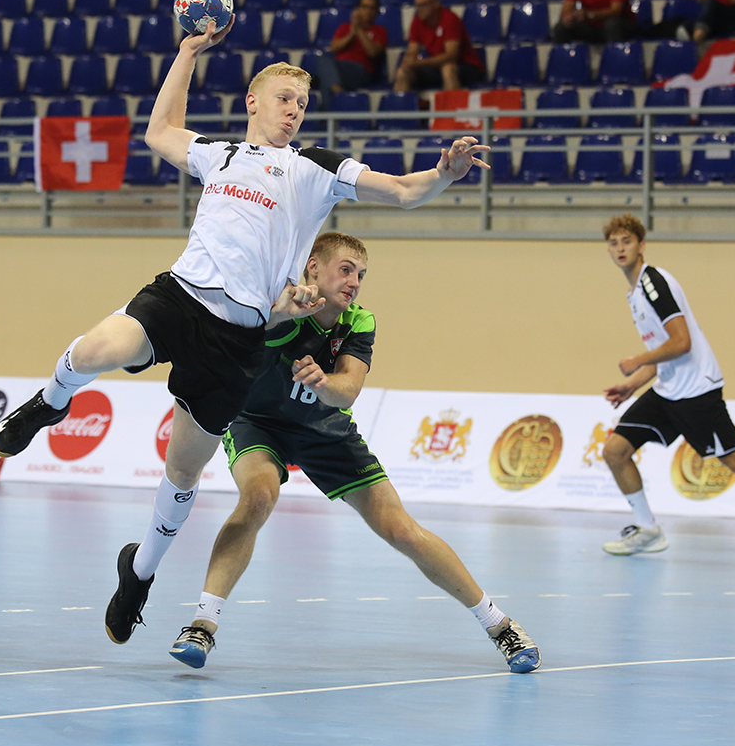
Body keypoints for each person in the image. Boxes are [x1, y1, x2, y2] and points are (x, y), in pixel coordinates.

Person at [0, 16, 490, 647]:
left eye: (303, 104)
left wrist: (443, 172)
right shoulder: (220, 154)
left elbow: (402, 190)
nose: (295, 112)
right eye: (285, 99)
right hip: (181, 297)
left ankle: (139, 573)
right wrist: (188, 50)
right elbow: (159, 131)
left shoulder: (314, 169)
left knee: (183, 476)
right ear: (253, 102)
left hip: (237, 339)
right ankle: (47, 405)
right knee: (95, 350)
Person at [168, 233, 540, 674]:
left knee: (401, 530)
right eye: (346, 269)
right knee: (258, 497)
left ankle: (500, 625)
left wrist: (324, 384)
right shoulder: (280, 305)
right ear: (313, 268)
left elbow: (348, 391)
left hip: (324, 428)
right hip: (257, 422)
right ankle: (202, 625)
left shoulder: (359, 321)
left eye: (361, 274)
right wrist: (281, 311)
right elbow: (255, 334)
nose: (355, 281)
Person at [598, 213, 735, 563]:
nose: (620, 248)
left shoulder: (653, 282)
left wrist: (637, 359)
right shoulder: (634, 293)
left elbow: (682, 342)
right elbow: (665, 354)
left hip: (697, 391)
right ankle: (648, 530)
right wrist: (631, 384)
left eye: (626, 241)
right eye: (613, 243)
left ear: (641, 246)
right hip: (669, 388)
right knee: (614, 451)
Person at [393, 0, 486, 92]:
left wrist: (419, 63)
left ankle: (450, 106)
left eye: (423, 5)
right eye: (417, 5)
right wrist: (409, 61)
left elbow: (451, 55)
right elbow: (412, 51)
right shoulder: (417, 21)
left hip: (465, 66)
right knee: (403, 72)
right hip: (436, 68)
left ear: (436, 3)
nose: (419, 9)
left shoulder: (450, 19)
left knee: (448, 69)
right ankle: (401, 107)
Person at [316, 0, 387, 95]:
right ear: (358, 9)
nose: (368, 11)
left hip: (361, 70)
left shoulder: (380, 30)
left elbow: (372, 52)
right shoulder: (344, 27)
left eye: (372, 8)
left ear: (376, 12)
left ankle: (334, 98)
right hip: (340, 68)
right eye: (364, 7)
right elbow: (334, 48)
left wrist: (359, 29)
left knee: (326, 78)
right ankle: (337, 91)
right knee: (323, 61)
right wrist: (351, 34)